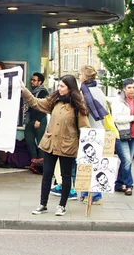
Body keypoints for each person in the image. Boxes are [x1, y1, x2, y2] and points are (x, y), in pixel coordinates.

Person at [21, 74, 90, 217]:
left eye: (62, 86)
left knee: (65, 176)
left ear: (70, 88)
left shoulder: (77, 106)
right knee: (46, 175)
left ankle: (62, 206)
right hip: (50, 144)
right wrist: (23, 89)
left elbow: (85, 128)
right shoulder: (54, 101)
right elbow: (35, 103)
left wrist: (88, 148)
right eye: (59, 86)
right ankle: (43, 204)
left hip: (67, 146)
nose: (59, 89)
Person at [78, 65, 109, 203]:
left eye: (80, 75)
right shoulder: (99, 91)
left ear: (84, 77)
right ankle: (87, 193)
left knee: (89, 165)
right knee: (92, 164)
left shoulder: (84, 93)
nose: (79, 77)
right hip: (98, 129)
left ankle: (94, 195)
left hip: (90, 131)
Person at [111, 78, 134, 196]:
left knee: (126, 161)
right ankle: (129, 185)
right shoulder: (118, 101)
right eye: (129, 88)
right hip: (122, 133)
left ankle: (119, 183)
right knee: (127, 160)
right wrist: (132, 118)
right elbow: (116, 118)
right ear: (124, 89)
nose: (132, 90)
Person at [24, 72, 49, 160]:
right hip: (32, 119)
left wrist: (38, 120)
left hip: (40, 119)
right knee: (28, 137)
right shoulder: (33, 92)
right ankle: (34, 160)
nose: (32, 82)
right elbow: (34, 106)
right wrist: (28, 109)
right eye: (32, 80)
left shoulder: (43, 92)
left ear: (40, 82)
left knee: (40, 141)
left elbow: (45, 107)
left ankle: (41, 162)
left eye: (34, 80)